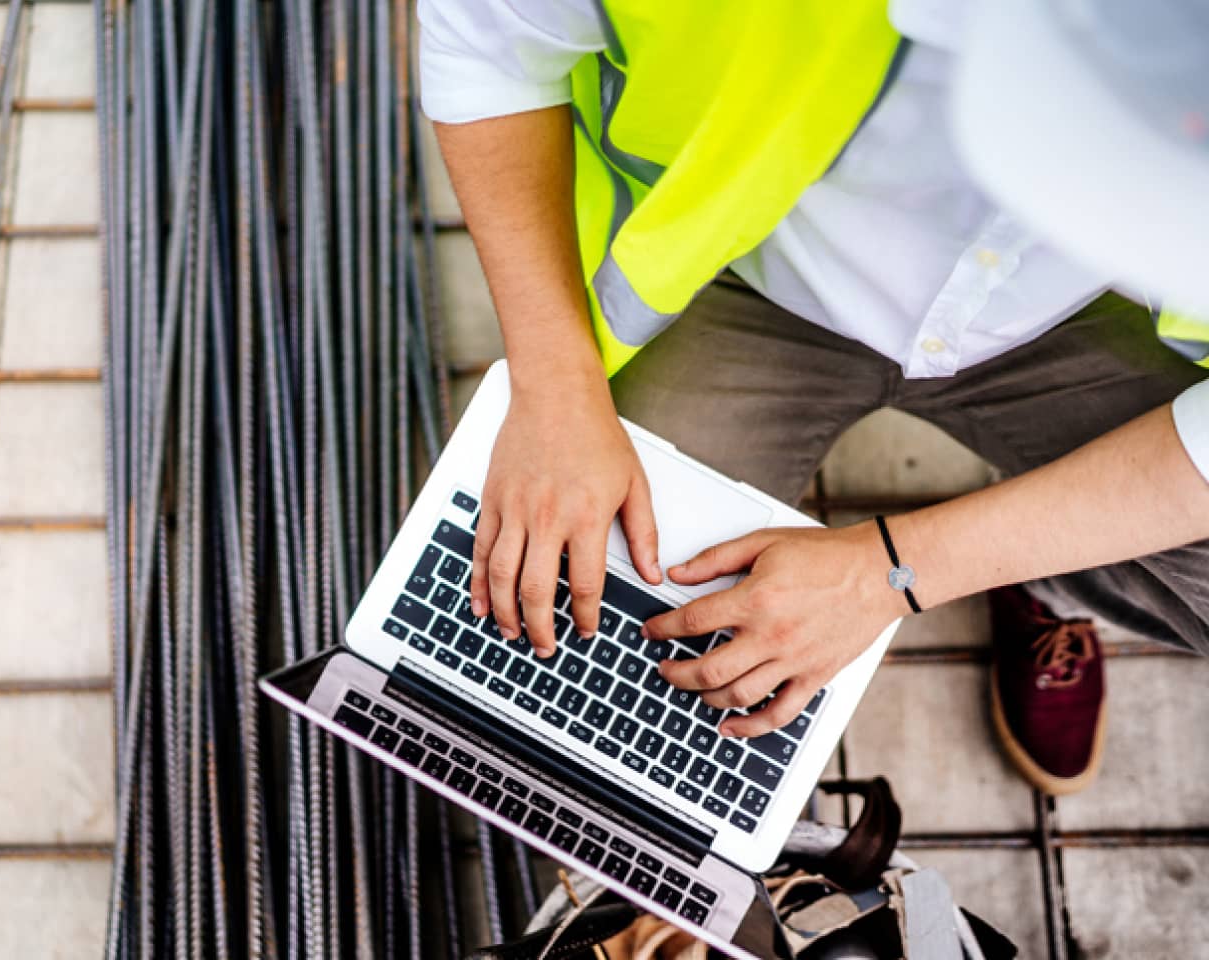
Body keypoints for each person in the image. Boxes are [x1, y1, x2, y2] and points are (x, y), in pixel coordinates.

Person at [417, 0, 1209, 796]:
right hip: (745, 272)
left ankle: (1030, 563)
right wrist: (556, 393)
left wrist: (896, 572)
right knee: (586, 618)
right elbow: (482, 44)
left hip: (1077, 315)